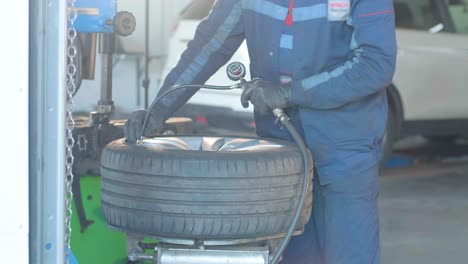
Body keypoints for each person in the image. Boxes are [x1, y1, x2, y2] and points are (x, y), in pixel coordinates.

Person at [124, 0, 397, 263]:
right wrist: (160, 109)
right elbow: (210, 44)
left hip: (345, 147)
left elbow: (375, 63)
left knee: (349, 253)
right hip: (280, 153)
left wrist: (292, 93)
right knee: (292, 253)